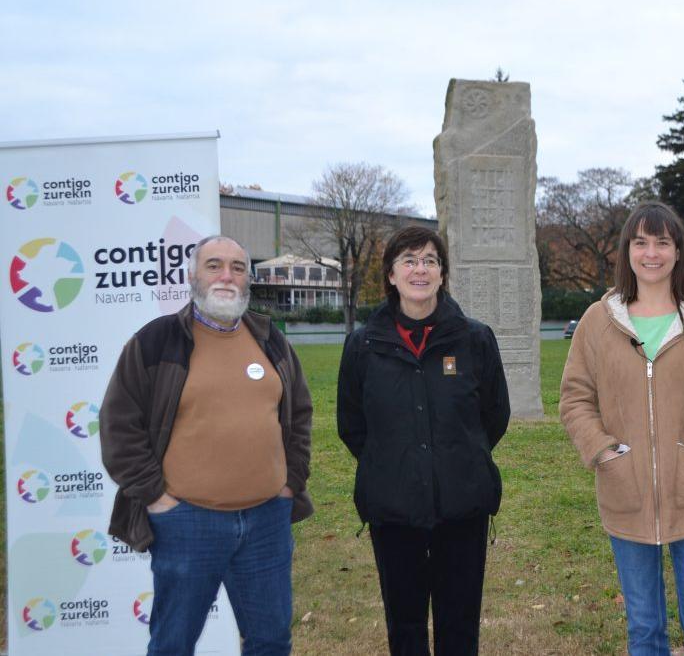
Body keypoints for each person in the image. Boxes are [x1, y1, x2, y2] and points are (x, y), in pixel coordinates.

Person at [560, 201, 684, 656]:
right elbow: (574, 397)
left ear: (678, 250)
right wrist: (602, 451)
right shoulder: (598, 320)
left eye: (662, 243)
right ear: (627, 251)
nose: (652, 253)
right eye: (641, 242)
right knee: (644, 630)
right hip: (625, 494)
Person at [99, 234, 313, 655]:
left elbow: (300, 414)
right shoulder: (156, 341)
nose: (227, 276)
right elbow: (119, 426)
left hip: (267, 520)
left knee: (271, 639)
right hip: (186, 523)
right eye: (214, 265)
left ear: (248, 280)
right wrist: (157, 498)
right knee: (173, 643)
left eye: (237, 268)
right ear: (192, 275)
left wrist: (291, 483)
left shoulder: (270, 339)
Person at [337, 226, 509, 656]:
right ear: (391, 275)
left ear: (442, 274)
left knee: (460, 624)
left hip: (462, 507)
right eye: (409, 260)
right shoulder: (363, 345)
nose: (420, 269)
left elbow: (494, 415)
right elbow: (352, 424)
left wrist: (457, 458)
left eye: (430, 260)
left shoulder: (475, 339)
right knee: (405, 625)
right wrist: (397, 461)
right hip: (394, 510)